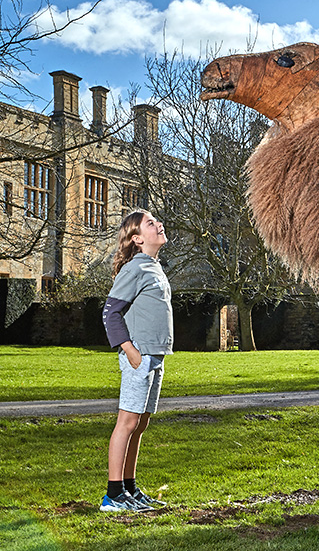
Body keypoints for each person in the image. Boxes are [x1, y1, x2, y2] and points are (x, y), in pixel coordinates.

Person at [99, 210, 173, 512]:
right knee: (127, 422)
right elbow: (109, 313)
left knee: (140, 423)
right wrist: (129, 350)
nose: (158, 224)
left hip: (155, 355)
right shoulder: (135, 269)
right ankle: (113, 495)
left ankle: (129, 488)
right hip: (139, 356)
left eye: (156, 220)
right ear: (137, 239)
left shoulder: (153, 266)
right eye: (150, 223)